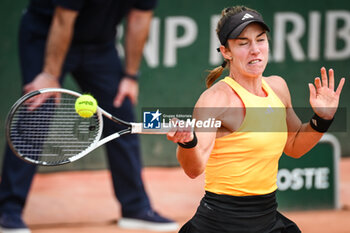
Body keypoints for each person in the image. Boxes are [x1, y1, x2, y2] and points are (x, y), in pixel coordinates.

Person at [0, 1, 179, 232]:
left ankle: (136, 208)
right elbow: (64, 19)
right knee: (38, 113)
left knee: (121, 115)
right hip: (46, 35)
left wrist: (130, 76)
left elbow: (140, 18)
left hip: (99, 45)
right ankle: (9, 210)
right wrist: (49, 74)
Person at [167, 5, 345, 233]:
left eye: (260, 40)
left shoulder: (278, 88)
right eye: (243, 43)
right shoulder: (216, 99)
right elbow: (194, 168)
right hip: (220, 223)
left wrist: (322, 119)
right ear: (226, 51)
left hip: (267, 219)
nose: (255, 50)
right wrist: (187, 142)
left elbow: (293, 145)